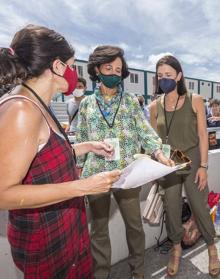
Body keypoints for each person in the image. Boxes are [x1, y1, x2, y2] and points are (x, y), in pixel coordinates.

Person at [0, 25, 122, 279]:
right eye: (71, 65)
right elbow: (3, 193)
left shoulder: (37, 103)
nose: (73, 73)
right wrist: (85, 186)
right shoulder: (22, 111)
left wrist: (86, 147)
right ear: (57, 66)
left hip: (66, 232)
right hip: (46, 241)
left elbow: (41, 160)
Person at [76, 45, 173, 279]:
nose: (113, 73)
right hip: (96, 175)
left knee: (135, 227)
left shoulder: (130, 101)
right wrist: (79, 175)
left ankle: (137, 273)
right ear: (97, 69)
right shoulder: (86, 104)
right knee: (99, 230)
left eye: (118, 70)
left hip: (128, 175)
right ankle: (100, 274)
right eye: (108, 67)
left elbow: (145, 132)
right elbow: (81, 140)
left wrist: (159, 154)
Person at [149, 55, 220, 277]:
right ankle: (177, 248)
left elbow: (201, 134)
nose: (164, 79)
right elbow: (152, 139)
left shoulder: (195, 99)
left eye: (168, 75)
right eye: (160, 76)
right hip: (168, 164)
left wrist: (204, 167)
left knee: (199, 205)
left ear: (179, 76)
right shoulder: (154, 106)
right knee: (171, 208)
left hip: (192, 160)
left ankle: (211, 248)